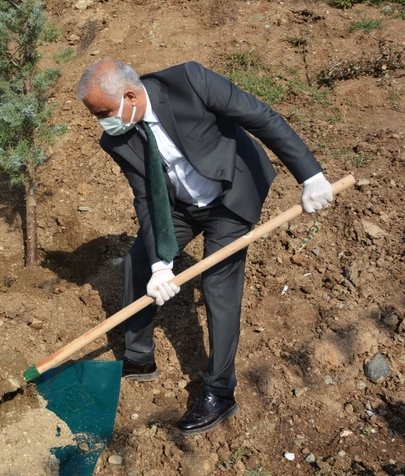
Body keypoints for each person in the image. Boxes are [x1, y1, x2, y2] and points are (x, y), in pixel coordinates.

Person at [76, 59, 333, 434]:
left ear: (130, 95)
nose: (101, 122)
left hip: (231, 192)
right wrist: (162, 262)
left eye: (102, 113)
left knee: (218, 282)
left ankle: (220, 391)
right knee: (140, 261)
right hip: (178, 205)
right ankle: (139, 357)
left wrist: (310, 176)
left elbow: (260, 117)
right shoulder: (116, 136)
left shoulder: (189, 83)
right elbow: (147, 197)